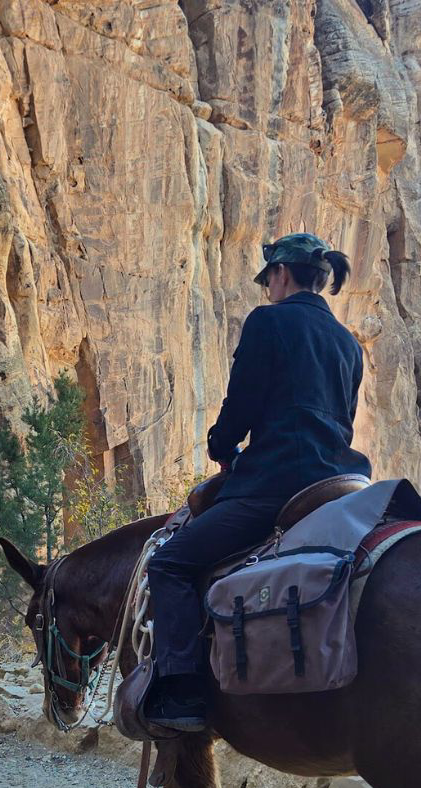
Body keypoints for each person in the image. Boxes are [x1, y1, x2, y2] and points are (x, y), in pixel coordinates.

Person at [144, 233, 373, 732]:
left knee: (170, 564)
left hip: (277, 483)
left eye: (268, 278)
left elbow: (242, 404)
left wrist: (220, 446)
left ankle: (182, 696)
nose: (267, 288)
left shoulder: (268, 321)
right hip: (340, 482)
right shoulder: (348, 343)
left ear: (281, 274)